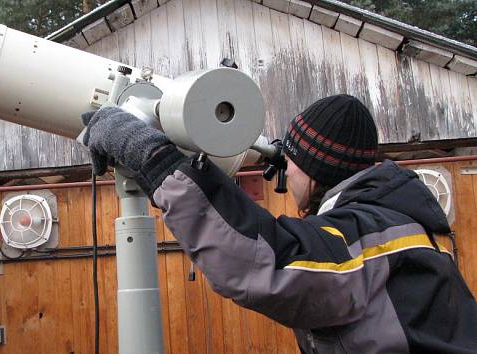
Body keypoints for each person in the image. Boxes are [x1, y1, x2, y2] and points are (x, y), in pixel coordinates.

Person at [81, 94, 477, 353]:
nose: (284, 169)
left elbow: (269, 261)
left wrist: (153, 159)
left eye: (291, 160)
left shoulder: (374, 230)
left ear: (314, 166)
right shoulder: (396, 218)